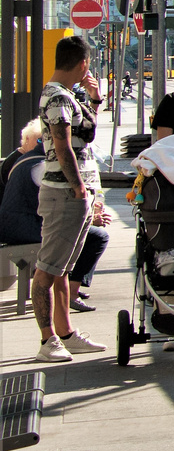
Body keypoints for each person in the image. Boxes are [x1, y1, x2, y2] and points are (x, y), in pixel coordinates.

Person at [31, 35, 106, 361]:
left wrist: (94, 99)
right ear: (83, 63)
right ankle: (48, 341)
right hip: (64, 195)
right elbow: (62, 146)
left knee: (61, 269)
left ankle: (66, 333)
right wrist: (78, 186)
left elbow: (81, 134)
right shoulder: (58, 99)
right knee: (47, 270)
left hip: (73, 195)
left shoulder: (64, 96)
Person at [0, 121, 108, 313]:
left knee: (85, 232)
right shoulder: (42, 166)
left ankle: (71, 287)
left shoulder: (30, 160)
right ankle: (71, 293)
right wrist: (90, 217)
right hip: (24, 227)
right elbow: (61, 204)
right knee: (96, 236)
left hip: (17, 224)